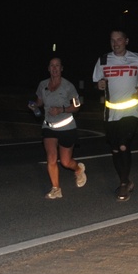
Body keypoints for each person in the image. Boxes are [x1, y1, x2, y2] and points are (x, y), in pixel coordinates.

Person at [92, 29, 138, 202]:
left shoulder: (137, 59)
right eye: (112, 40)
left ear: (126, 41)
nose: (115, 43)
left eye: (119, 40)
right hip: (111, 112)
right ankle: (126, 180)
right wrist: (98, 85)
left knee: (123, 145)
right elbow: (96, 83)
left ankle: (123, 185)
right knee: (115, 149)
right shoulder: (102, 60)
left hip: (131, 110)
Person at [29, 55, 87, 199]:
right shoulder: (43, 85)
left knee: (66, 162)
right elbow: (40, 102)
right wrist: (35, 106)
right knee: (51, 158)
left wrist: (61, 109)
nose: (54, 68)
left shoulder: (68, 86)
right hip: (48, 126)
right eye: (52, 66)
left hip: (66, 126)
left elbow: (76, 107)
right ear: (48, 69)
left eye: (57, 66)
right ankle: (56, 189)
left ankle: (78, 169)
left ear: (61, 69)